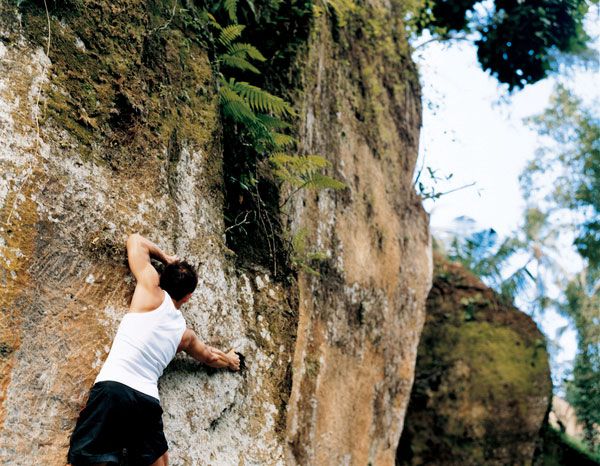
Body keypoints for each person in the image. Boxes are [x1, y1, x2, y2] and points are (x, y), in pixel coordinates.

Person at [67, 233, 240, 466]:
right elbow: (209, 356)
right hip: (145, 401)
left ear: (161, 276)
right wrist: (230, 360)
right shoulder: (185, 336)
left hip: (113, 388)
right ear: (187, 298)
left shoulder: (149, 287)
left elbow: (135, 241)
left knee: (88, 458)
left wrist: (166, 257)